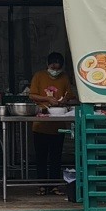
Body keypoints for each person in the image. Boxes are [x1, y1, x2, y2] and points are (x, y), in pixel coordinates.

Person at [25, 51, 77, 194]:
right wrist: (47, 99)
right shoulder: (39, 76)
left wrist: (65, 101)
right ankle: (41, 186)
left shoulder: (65, 78)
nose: (55, 71)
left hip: (58, 126)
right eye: (53, 68)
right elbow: (32, 95)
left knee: (56, 157)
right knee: (41, 157)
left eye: (58, 69)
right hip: (40, 124)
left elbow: (71, 97)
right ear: (47, 65)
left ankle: (54, 186)